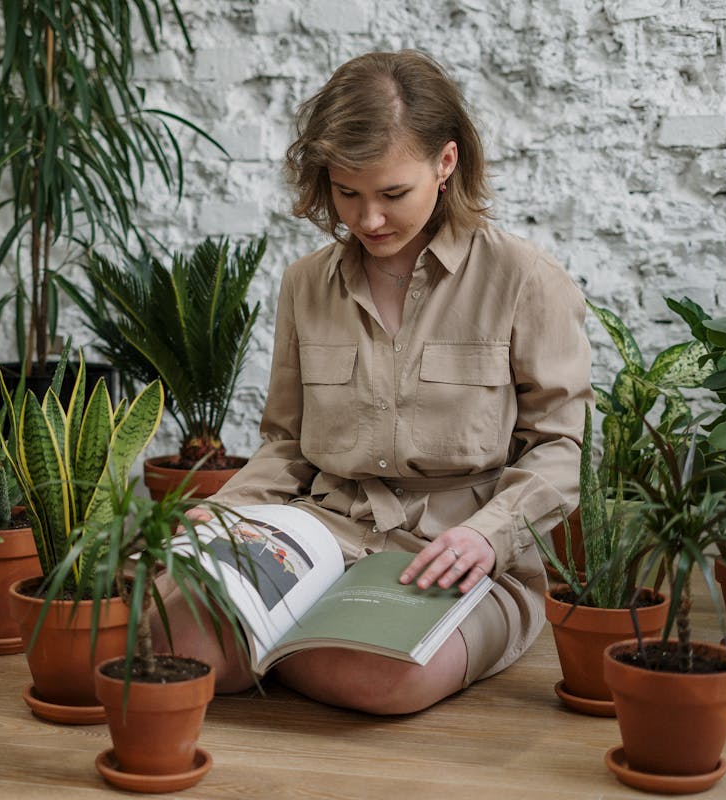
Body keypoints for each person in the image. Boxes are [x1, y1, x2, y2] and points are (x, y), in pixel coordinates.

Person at [158, 50, 592, 715]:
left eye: (393, 194)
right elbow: (285, 445)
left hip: (462, 554)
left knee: (386, 678)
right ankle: (282, 637)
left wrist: (487, 533)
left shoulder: (524, 279)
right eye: (347, 193)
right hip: (323, 532)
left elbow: (559, 448)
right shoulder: (307, 283)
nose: (368, 220)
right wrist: (225, 511)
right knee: (167, 617)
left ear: (446, 164)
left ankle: (261, 647)